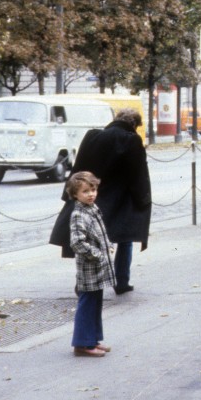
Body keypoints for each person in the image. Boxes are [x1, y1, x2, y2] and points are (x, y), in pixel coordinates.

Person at [70, 108, 152, 296]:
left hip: (93, 195)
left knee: (91, 240)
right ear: (133, 124)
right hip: (121, 199)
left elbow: (79, 167)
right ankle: (121, 281)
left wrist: (73, 194)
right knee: (125, 239)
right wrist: (142, 199)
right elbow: (137, 174)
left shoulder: (93, 136)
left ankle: (82, 283)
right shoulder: (131, 140)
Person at [67, 171, 114, 357]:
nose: (91, 194)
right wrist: (98, 255)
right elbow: (77, 242)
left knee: (95, 304)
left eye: (93, 190)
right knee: (87, 305)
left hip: (98, 267)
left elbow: (101, 233)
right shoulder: (79, 214)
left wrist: (108, 245)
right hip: (89, 268)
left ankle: (92, 339)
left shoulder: (92, 208)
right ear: (75, 194)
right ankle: (82, 344)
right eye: (85, 191)